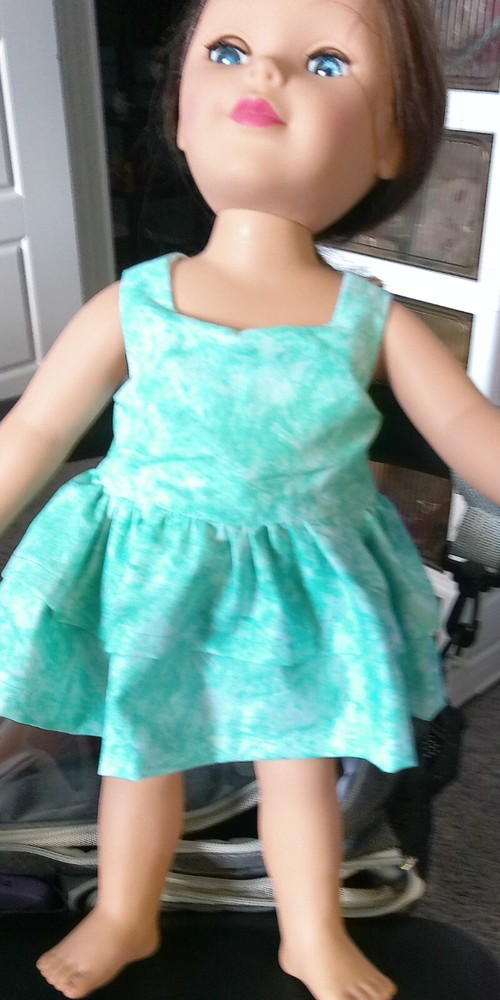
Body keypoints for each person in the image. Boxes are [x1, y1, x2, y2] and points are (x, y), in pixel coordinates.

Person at [0, 0, 499, 997]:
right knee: (139, 756)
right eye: (228, 50)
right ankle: (123, 914)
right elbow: (36, 432)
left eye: (325, 64)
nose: (264, 74)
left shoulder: (366, 318)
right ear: (182, 112)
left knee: (296, 762)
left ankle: (309, 930)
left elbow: (466, 431)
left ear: (391, 140)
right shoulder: (138, 302)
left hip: (296, 593)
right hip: (154, 576)